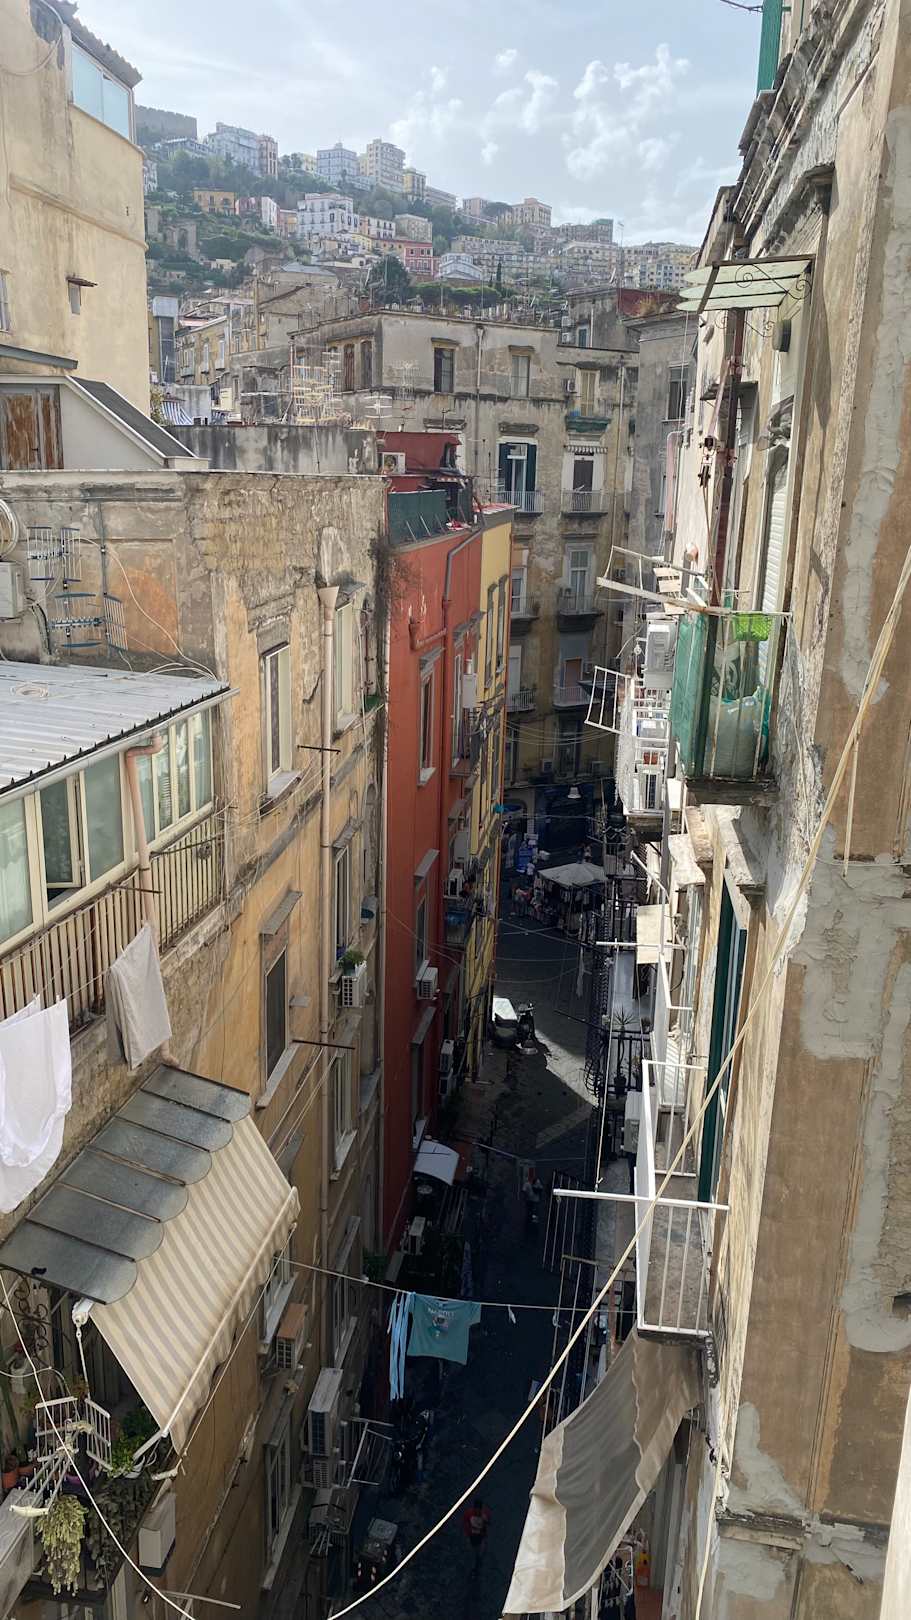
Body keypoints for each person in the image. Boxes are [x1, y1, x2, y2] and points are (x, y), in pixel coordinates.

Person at [462, 1498, 491, 1574]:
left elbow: (488, 1523)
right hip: (472, 1535)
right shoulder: (469, 1513)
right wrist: (468, 1531)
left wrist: (486, 1521)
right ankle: (473, 1567)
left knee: (479, 1552)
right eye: (476, 1509)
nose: (478, 1511)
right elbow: (465, 1522)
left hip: (480, 1536)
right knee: (473, 1552)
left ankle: (477, 1564)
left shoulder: (484, 1514)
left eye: (479, 1509)